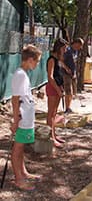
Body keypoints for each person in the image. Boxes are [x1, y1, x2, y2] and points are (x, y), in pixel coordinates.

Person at [10, 45, 42, 191]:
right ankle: (19, 179)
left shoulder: (23, 73)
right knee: (17, 150)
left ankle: (23, 172)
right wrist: (16, 121)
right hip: (22, 120)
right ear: (30, 59)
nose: (37, 64)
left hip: (27, 119)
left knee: (21, 148)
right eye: (36, 61)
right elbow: (15, 100)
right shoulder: (20, 75)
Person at [46, 38, 68, 148]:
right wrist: (58, 89)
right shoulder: (51, 59)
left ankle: (54, 135)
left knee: (54, 114)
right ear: (59, 47)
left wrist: (61, 88)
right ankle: (51, 138)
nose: (65, 50)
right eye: (64, 48)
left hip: (58, 87)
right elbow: (50, 77)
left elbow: (59, 74)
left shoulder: (58, 59)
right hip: (52, 88)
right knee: (50, 114)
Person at [63, 37, 84, 113]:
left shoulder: (76, 51)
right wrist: (66, 68)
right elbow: (62, 61)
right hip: (66, 73)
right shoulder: (68, 51)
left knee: (73, 92)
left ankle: (69, 107)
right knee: (68, 91)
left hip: (73, 73)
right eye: (79, 45)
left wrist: (74, 72)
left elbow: (74, 62)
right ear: (75, 43)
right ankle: (67, 108)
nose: (80, 47)